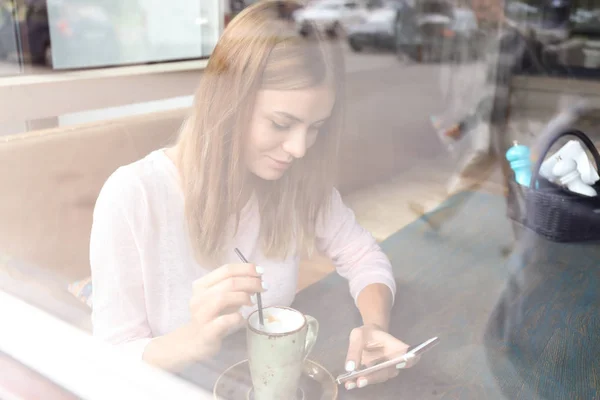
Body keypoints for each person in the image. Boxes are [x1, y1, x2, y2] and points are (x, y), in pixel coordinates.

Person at [90, 0, 417, 392]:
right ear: (227, 102)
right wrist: (192, 339)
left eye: (316, 127)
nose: (299, 148)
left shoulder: (296, 180)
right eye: (282, 123)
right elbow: (112, 357)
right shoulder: (133, 197)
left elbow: (363, 257)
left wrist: (374, 328)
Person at [409, 0, 544, 231]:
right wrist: (465, 125)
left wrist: (467, 125)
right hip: (498, 126)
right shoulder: (498, 39)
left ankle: (528, 239)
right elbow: (493, 95)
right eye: (476, 9)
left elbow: (518, 89)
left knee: (517, 185)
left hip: (512, 128)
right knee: (480, 175)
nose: (477, 15)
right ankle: (439, 216)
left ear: (498, 5)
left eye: (482, 8)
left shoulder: (515, 40)